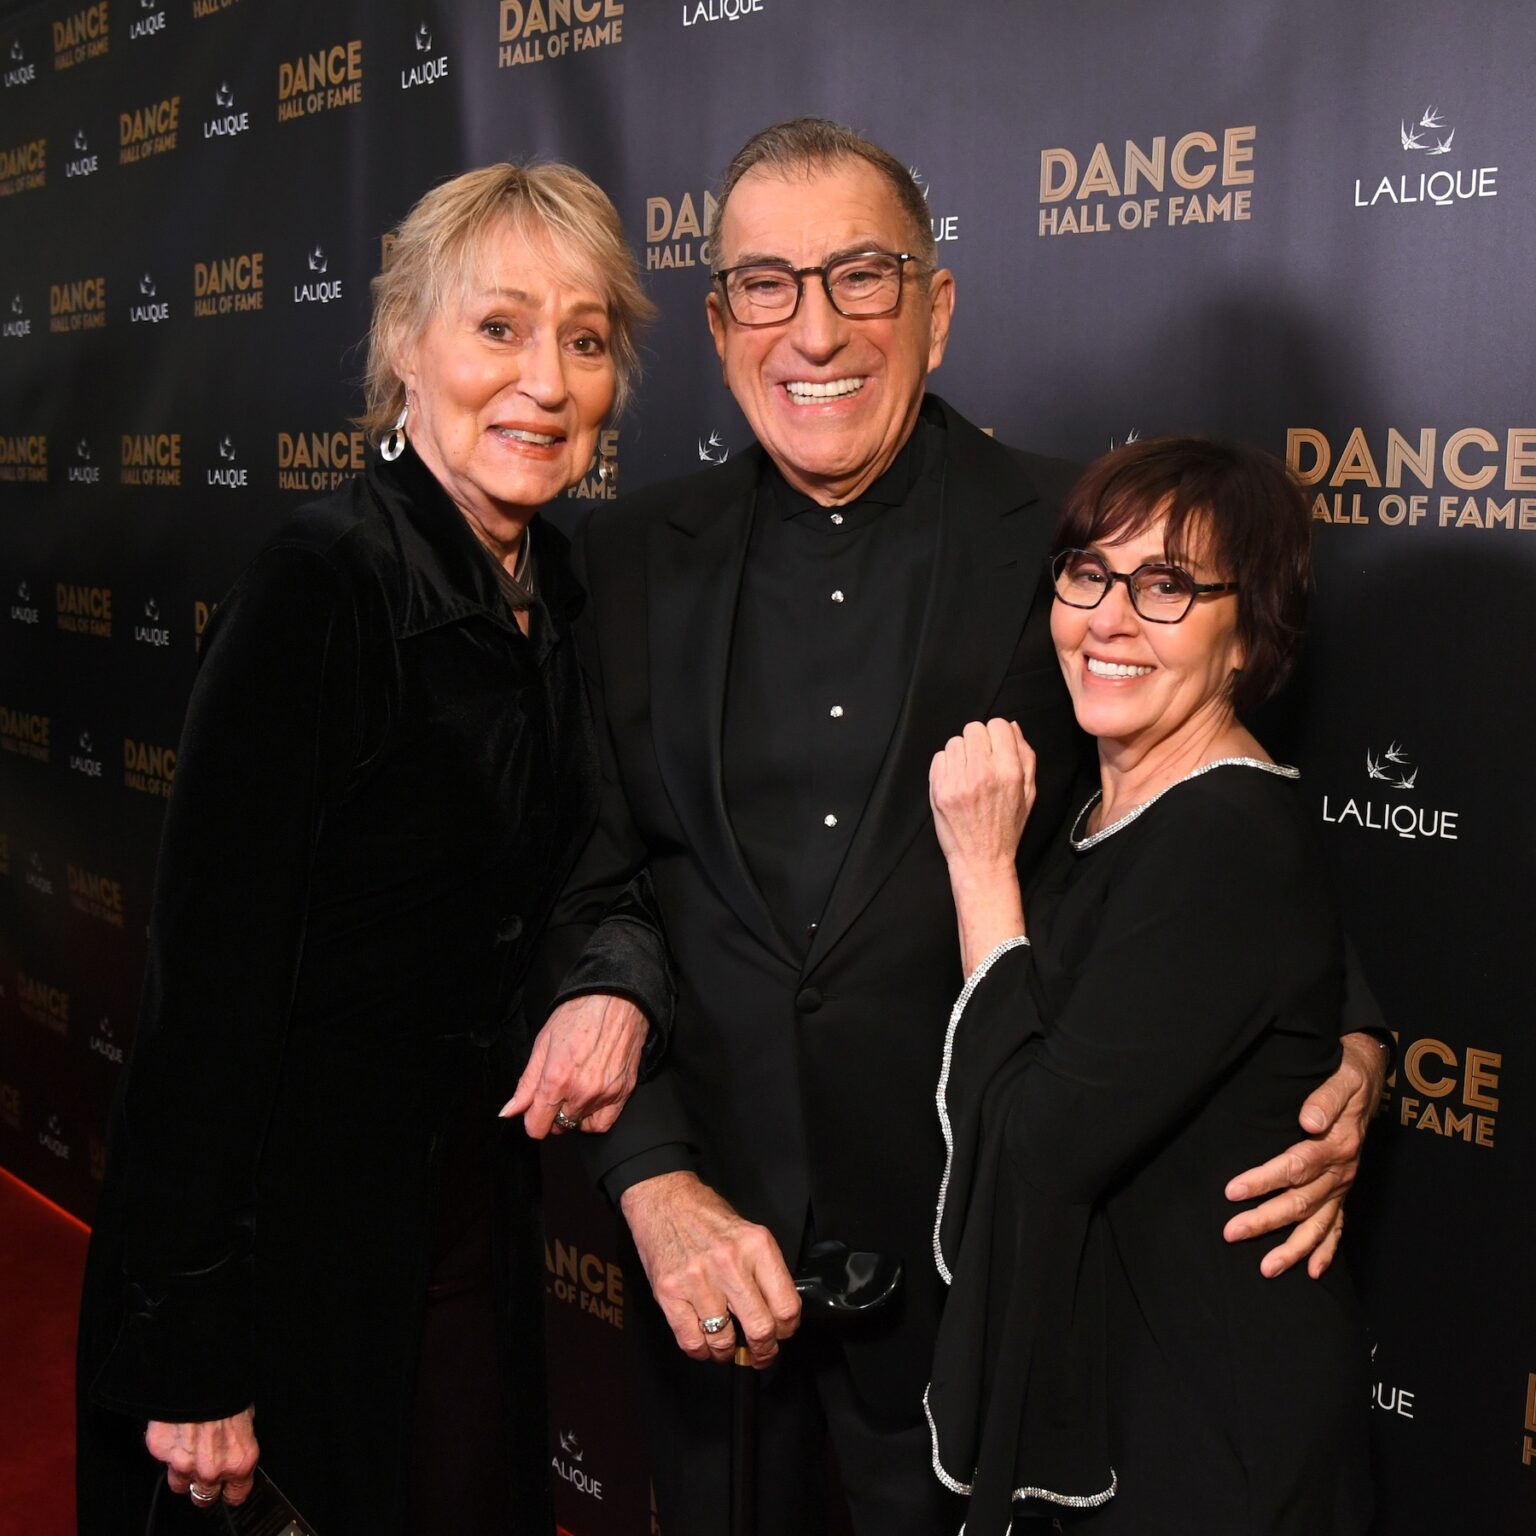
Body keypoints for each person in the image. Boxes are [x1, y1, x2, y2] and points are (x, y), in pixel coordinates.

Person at [520, 118, 1386, 1534]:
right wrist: (653, 1178)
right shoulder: (616, 560)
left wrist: (1345, 1035)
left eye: (863, 275)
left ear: (938, 305)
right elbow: (587, 889)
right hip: (716, 1279)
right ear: (719, 317)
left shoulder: (1083, 542)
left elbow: (1207, 805)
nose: (817, 329)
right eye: (768, 284)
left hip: (998, 1290)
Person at [75, 161, 667, 1536]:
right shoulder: (324, 583)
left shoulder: (554, 588)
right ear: (405, 345)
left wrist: (611, 980)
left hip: (460, 1220)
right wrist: (193, 1349)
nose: (545, 380)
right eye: (499, 328)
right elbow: (203, 1001)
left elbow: (593, 866)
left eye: (584, 340)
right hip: (287, 1251)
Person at [926, 437, 1373, 1534]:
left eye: (1167, 586)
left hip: (1202, 1434)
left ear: (1247, 635)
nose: (1110, 618)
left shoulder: (1218, 835)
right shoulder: (1095, 801)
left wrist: (981, 871)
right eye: (1089, 573)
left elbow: (1040, 1145)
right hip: (1123, 1399)